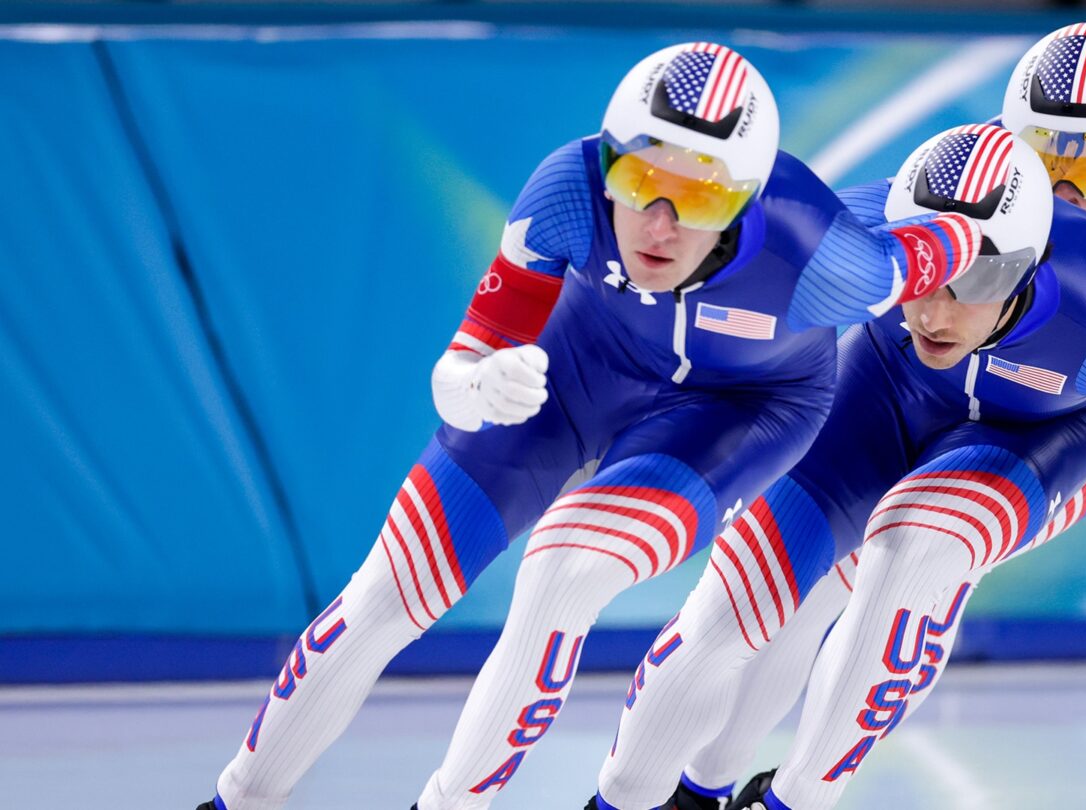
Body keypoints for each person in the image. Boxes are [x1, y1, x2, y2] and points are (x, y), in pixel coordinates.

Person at [197, 41, 992, 810]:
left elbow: (955, 238)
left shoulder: (825, 258)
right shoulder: (568, 190)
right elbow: (458, 369)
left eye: (702, 198)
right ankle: (239, 800)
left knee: (565, 570)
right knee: (384, 595)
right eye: (639, 178)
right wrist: (475, 385)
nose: (659, 224)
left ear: (747, 202)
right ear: (608, 160)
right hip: (573, 372)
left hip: (739, 409)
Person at [597, 24, 1086, 810]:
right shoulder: (959, 183)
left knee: (914, 555)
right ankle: (696, 789)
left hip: (1061, 412)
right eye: (1040, 158)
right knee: (772, 590)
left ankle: (796, 798)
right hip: (900, 382)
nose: (1062, 193)